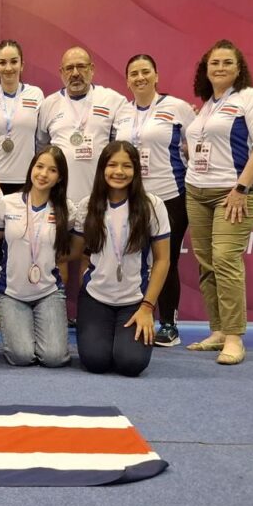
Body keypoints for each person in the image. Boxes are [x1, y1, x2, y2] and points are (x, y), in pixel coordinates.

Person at [184, 39, 253, 366]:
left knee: (225, 258)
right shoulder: (207, 105)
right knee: (207, 262)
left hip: (233, 193)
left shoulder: (250, 98)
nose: (220, 68)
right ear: (205, 70)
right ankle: (219, 330)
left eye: (227, 63)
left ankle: (235, 338)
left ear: (239, 69)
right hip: (197, 191)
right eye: (214, 63)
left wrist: (241, 188)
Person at [37, 46, 128, 327]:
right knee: (58, 259)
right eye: (69, 68)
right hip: (60, 198)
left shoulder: (113, 100)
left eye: (81, 67)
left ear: (92, 69)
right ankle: (56, 318)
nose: (75, 73)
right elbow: (42, 148)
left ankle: (90, 318)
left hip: (98, 198)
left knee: (93, 260)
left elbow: (123, 147)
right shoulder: (49, 105)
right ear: (61, 72)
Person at [76, 141, 170, 377]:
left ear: (136, 170)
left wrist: (147, 307)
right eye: (112, 165)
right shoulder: (87, 205)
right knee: (95, 362)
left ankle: (122, 340)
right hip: (96, 298)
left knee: (131, 363)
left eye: (127, 166)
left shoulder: (152, 205)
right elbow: (79, 253)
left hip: (135, 301)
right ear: (102, 168)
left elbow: (162, 260)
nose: (119, 171)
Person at [122, 54, 197, 347]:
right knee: (132, 257)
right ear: (127, 80)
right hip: (132, 198)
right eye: (134, 73)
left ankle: (168, 324)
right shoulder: (122, 112)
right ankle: (133, 317)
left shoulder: (177, 108)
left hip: (170, 195)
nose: (140, 77)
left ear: (156, 76)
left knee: (166, 260)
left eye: (145, 71)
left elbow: (198, 142)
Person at [0, 39, 44, 329]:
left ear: (22, 64)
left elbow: (43, 141)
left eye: (14, 61)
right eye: (3, 62)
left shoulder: (37, 95)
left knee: (22, 246)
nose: (8, 67)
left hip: (27, 185)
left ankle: (18, 305)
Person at [0, 146, 81, 367]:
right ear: (31, 168)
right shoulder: (7, 203)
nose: (43, 174)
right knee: (21, 356)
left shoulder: (66, 210)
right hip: (11, 292)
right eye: (39, 167)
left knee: (54, 358)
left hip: (48, 292)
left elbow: (72, 249)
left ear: (60, 178)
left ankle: (40, 328)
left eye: (52, 170)